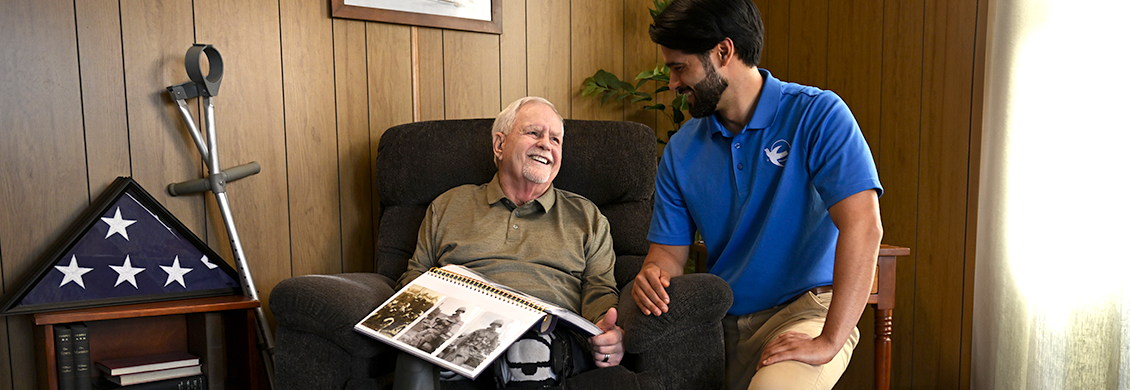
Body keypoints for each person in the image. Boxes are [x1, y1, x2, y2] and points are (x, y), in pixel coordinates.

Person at [630, 0, 884, 389]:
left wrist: (829, 340)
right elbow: (667, 254)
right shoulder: (680, 151)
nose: (673, 84)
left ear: (723, 52)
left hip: (804, 313)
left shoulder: (818, 115)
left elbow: (864, 227)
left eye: (680, 67)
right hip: (721, 326)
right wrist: (653, 274)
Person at [393, 96, 624, 389]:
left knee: (528, 350)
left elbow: (599, 290)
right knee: (418, 350)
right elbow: (414, 277)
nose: (546, 144)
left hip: (548, 337)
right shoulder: (449, 205)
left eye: (555, 139)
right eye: (534, 133)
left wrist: (605, 330)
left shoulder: (587, 216)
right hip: (462, 327)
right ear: (499, 145)